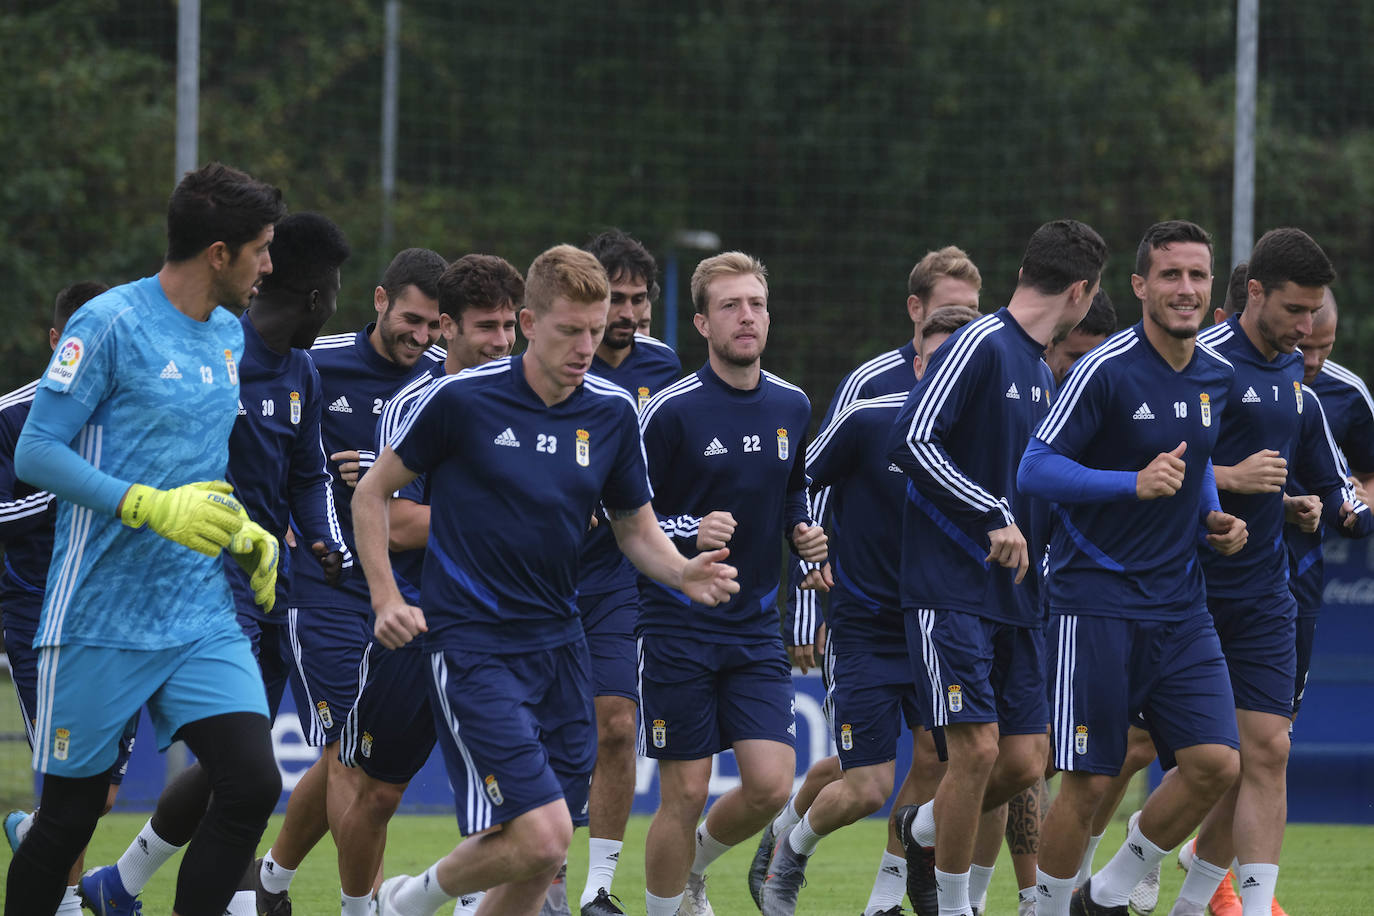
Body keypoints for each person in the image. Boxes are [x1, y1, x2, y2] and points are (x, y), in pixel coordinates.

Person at [347, 244, 736, 916]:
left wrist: (682, 572)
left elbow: (634, 529)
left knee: (542, 859)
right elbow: (371, 493)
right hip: (473, 646)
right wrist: (384, 597)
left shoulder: (612, 413)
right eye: (569, 331)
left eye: (596, 330)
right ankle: (407, 902)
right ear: (529, 323)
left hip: (562, 650)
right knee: (543, 835)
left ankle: (407, 902)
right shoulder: (461, 400)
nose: (586, 347)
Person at [5, 162, 285, 916]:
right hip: (98, 616)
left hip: (197, 614)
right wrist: (144, 506)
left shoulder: (228, 336)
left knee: (252, 782)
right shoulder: (110, 324)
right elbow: (36, 451)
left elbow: (197, 469)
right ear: (219, 254)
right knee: (68, 820)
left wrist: (242, 530)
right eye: (261, 249)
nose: (269, 265)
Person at [79, 212, 353, 916]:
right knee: (246, 770)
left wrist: (324, 539)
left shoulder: (302, 373)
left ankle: (119, 885)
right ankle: (226, 900)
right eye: (337, 293)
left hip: (273, 591)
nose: (337, 307)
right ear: (318, 297)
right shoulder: (213, 353)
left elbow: (309, 477)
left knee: (232, 768)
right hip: (202, 589)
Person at [1013, 220, 1244, 916]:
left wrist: (1212, 517)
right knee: (1088, 781)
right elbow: (1035, 469)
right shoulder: (1103, 369)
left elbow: (1196, 461)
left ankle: (1107, 893)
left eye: (1197, 275)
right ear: (1141, 285)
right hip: (1096, 601)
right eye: (1171, 274)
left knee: (1217, 764)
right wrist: (1131, 484)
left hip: (1181, 604)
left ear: (1212, 286)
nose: (1185, 288)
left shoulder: (1216, 375)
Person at [890, 219, 1107, 916]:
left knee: (1024, 762)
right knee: (977, 753)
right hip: (950, 588)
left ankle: (920, 828)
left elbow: (1039, 487)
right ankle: (954, 907)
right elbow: (911, 440)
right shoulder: (980, 342)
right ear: (1081, 292)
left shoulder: (1042, 370)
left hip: (1018, 600)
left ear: (1023, 273)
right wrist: (991, 513)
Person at [761, 247, 982, 916]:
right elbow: (797, 485)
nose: (943, 374)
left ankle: (889, 894)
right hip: (864, 626)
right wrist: (810, 560)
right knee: (865, 787)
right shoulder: (868, 415)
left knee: (946, 762)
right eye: (935, 361)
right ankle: (790, 849)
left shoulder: (982, 435)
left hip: (938, 624)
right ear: (917, 360)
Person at [1182, 228, 1371, 916]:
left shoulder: (1309, 383)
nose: (1307, 335)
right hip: (1179, 588)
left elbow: (1341, 478)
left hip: (1275, 588)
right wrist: (1227, 481)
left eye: (1317, 320)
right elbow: (1140, 461)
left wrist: (1344, 508)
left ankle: (1236, 902)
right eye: (1296, 313)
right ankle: (1108, 881)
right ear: (1254, 295)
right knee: (1180, 757)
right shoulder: (1194, 362)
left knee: (1266, 751)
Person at [254, 247, 446, 912]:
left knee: (360, 762)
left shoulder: (445, 380)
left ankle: (269, 881)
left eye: (434, 326)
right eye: (411, 320)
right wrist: (279, 519)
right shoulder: (316, 361)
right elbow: (265, 443)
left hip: (411, 596)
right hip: (327, 587)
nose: (421, 337)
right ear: (380, 300)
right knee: (346, 752)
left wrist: (388, 470)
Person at [636, 251, 825, 916]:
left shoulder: (793, 404)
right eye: (730, 306)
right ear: (702, 324)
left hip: (754, 625)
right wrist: (693, 527)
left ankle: (691, 872)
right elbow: (627, 515)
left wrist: (802, 529)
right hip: (676, 625)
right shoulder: (669, 411)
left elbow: (794, 488)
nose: (747, 317)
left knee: (771, 786)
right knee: (685, 793)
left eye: (756, 304)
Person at [335, 253, 524, 916]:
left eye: (509, 327)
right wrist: (506, 520)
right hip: (418, 622)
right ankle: (361, 909)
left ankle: (458, 902)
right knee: (376, 793)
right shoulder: (415, 405)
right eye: (486, 327)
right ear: (448, 328)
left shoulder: (538, 405)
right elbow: (397, 522)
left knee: (508, 797)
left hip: (504, 630)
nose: (501, 342)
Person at [573, 230, 682, 916]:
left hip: (618, 575)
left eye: (640, 298)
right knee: (550, 732)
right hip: (542, 574)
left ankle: (597, 888)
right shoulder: (557, 362)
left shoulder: (663, 366)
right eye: (617, 297)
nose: (631, 312)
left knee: (617, 724)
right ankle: (539, 869)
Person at [0, 282, 113, 916]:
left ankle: (31, 832)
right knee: (73, 776)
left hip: (114, 612)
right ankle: (67, 902)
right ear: (55, 341)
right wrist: (72, 487)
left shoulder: (131, 413)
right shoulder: (11, 417)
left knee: (101, 788)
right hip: (38, 614)